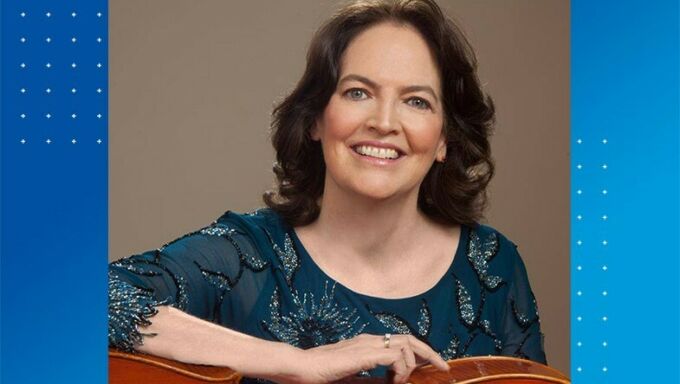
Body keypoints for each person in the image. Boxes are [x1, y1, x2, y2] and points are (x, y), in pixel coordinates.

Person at [108, 0, 547, 383]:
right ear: (316, 119)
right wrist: (293, 362)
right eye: (358, 92)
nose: (384, 122)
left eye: (417, 101)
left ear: (444, 140)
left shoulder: (493, 268)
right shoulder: (245, 256)